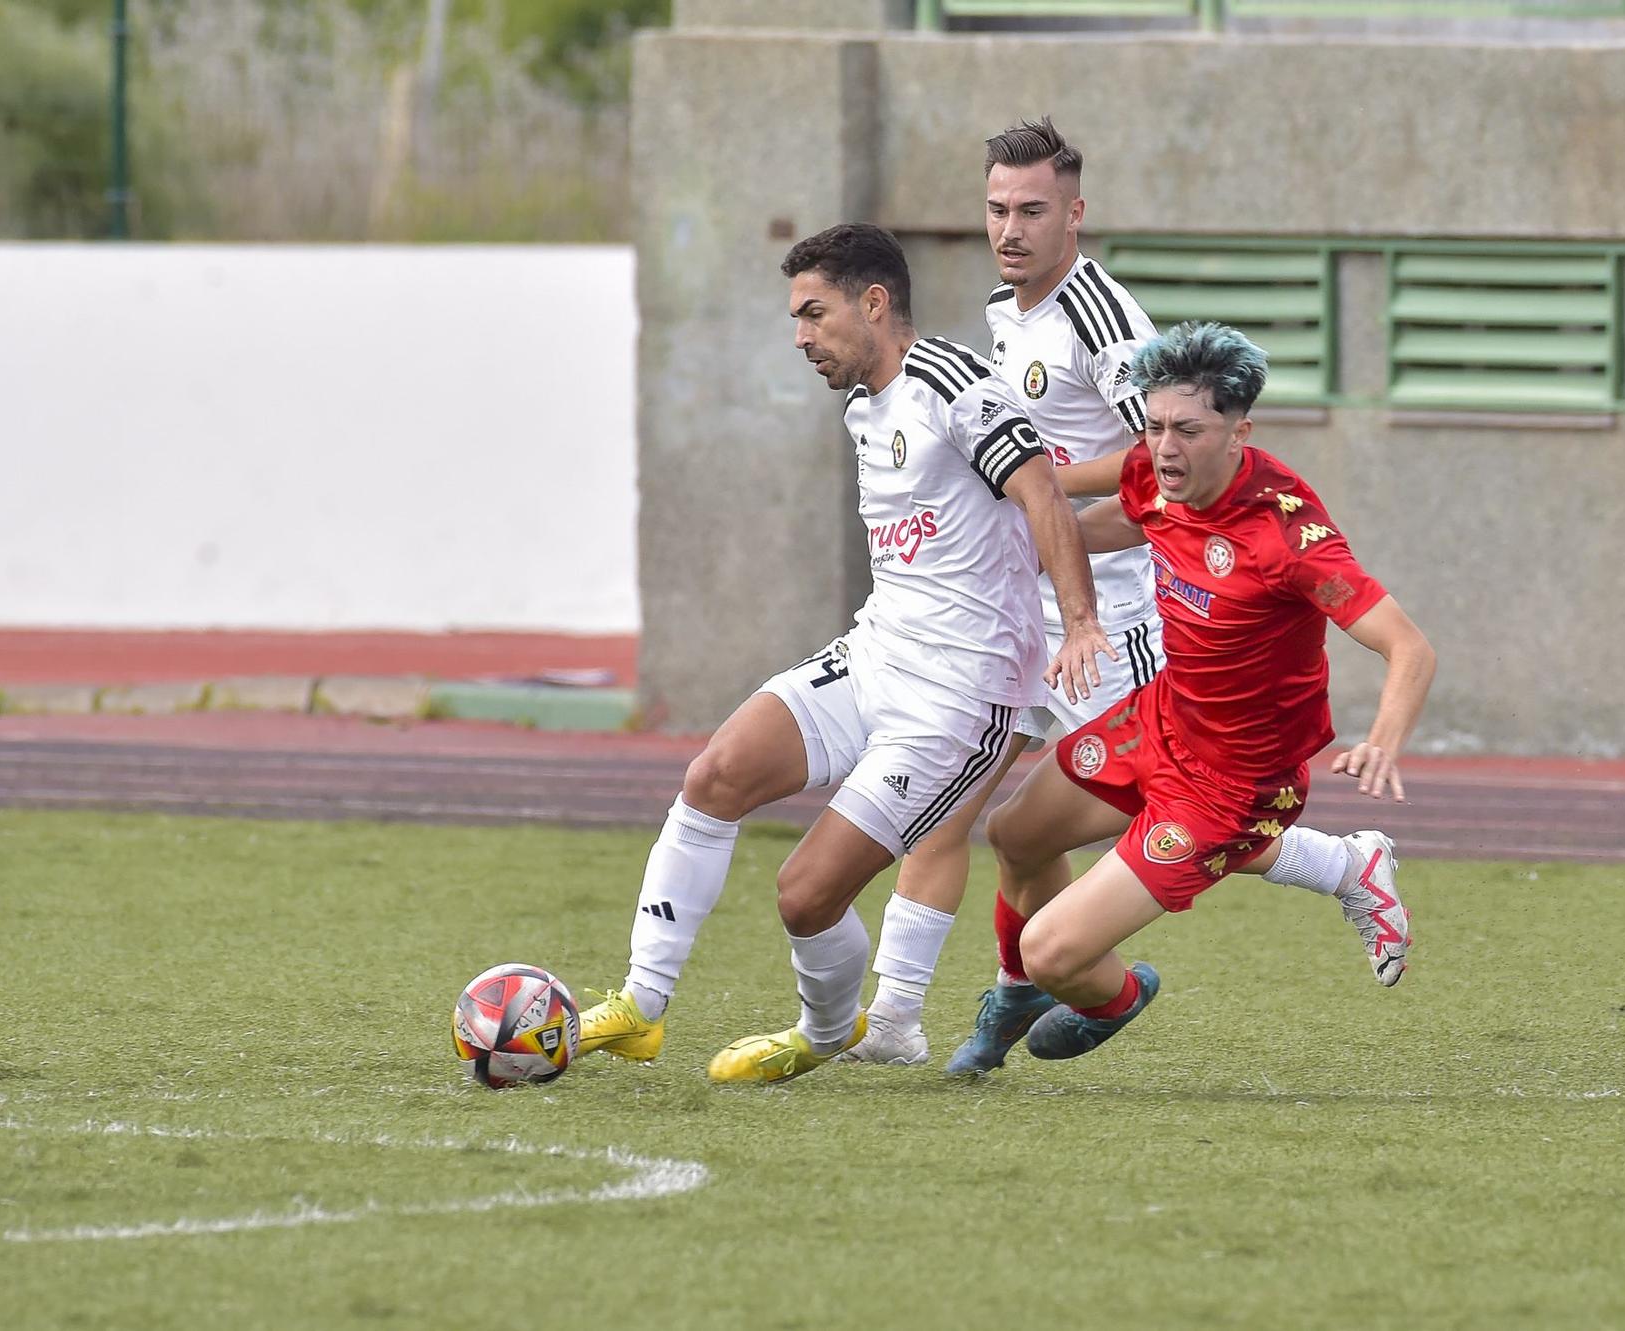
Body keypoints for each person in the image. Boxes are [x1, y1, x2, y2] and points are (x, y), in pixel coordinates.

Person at [841, 117, 1408, 1068]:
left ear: (1076, 214)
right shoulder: (1007, 312)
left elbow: (1158, 460)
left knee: (1189, 803)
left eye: (1032, 210)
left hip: (1118, 621)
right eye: (996, 209)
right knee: (1005, 825)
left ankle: (1336, 866)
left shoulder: (1100, 320)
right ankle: (993, 994)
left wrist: (1037, 490)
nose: (1010, 229)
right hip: (1035, 608)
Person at [574, 222, 1115, 1085]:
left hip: (959, 697)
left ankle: (832, 1030)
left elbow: (1043, 491)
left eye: (813, 314)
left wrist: (1080, 620)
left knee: (804, 894)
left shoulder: (952, 381)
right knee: (714, 774)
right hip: (873, 655)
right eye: (795, 319)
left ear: (874, 303)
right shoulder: (865, 406)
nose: (800, 338)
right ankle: (641, 1005)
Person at [943, 320, 1436, 1076]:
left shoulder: (1287, 537)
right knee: (1014, 835)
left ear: (1241, 430)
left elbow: (1410, 647)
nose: (1166, 447)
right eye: (1156, 425)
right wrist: (1027, 514)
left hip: (1233, 785)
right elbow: (1116, 507)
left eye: (1189, 430)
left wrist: (1384, 739)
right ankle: (1016, 994)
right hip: (1161, 719)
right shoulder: (1154, 467)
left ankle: (1113, 997)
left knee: (1053, 949)